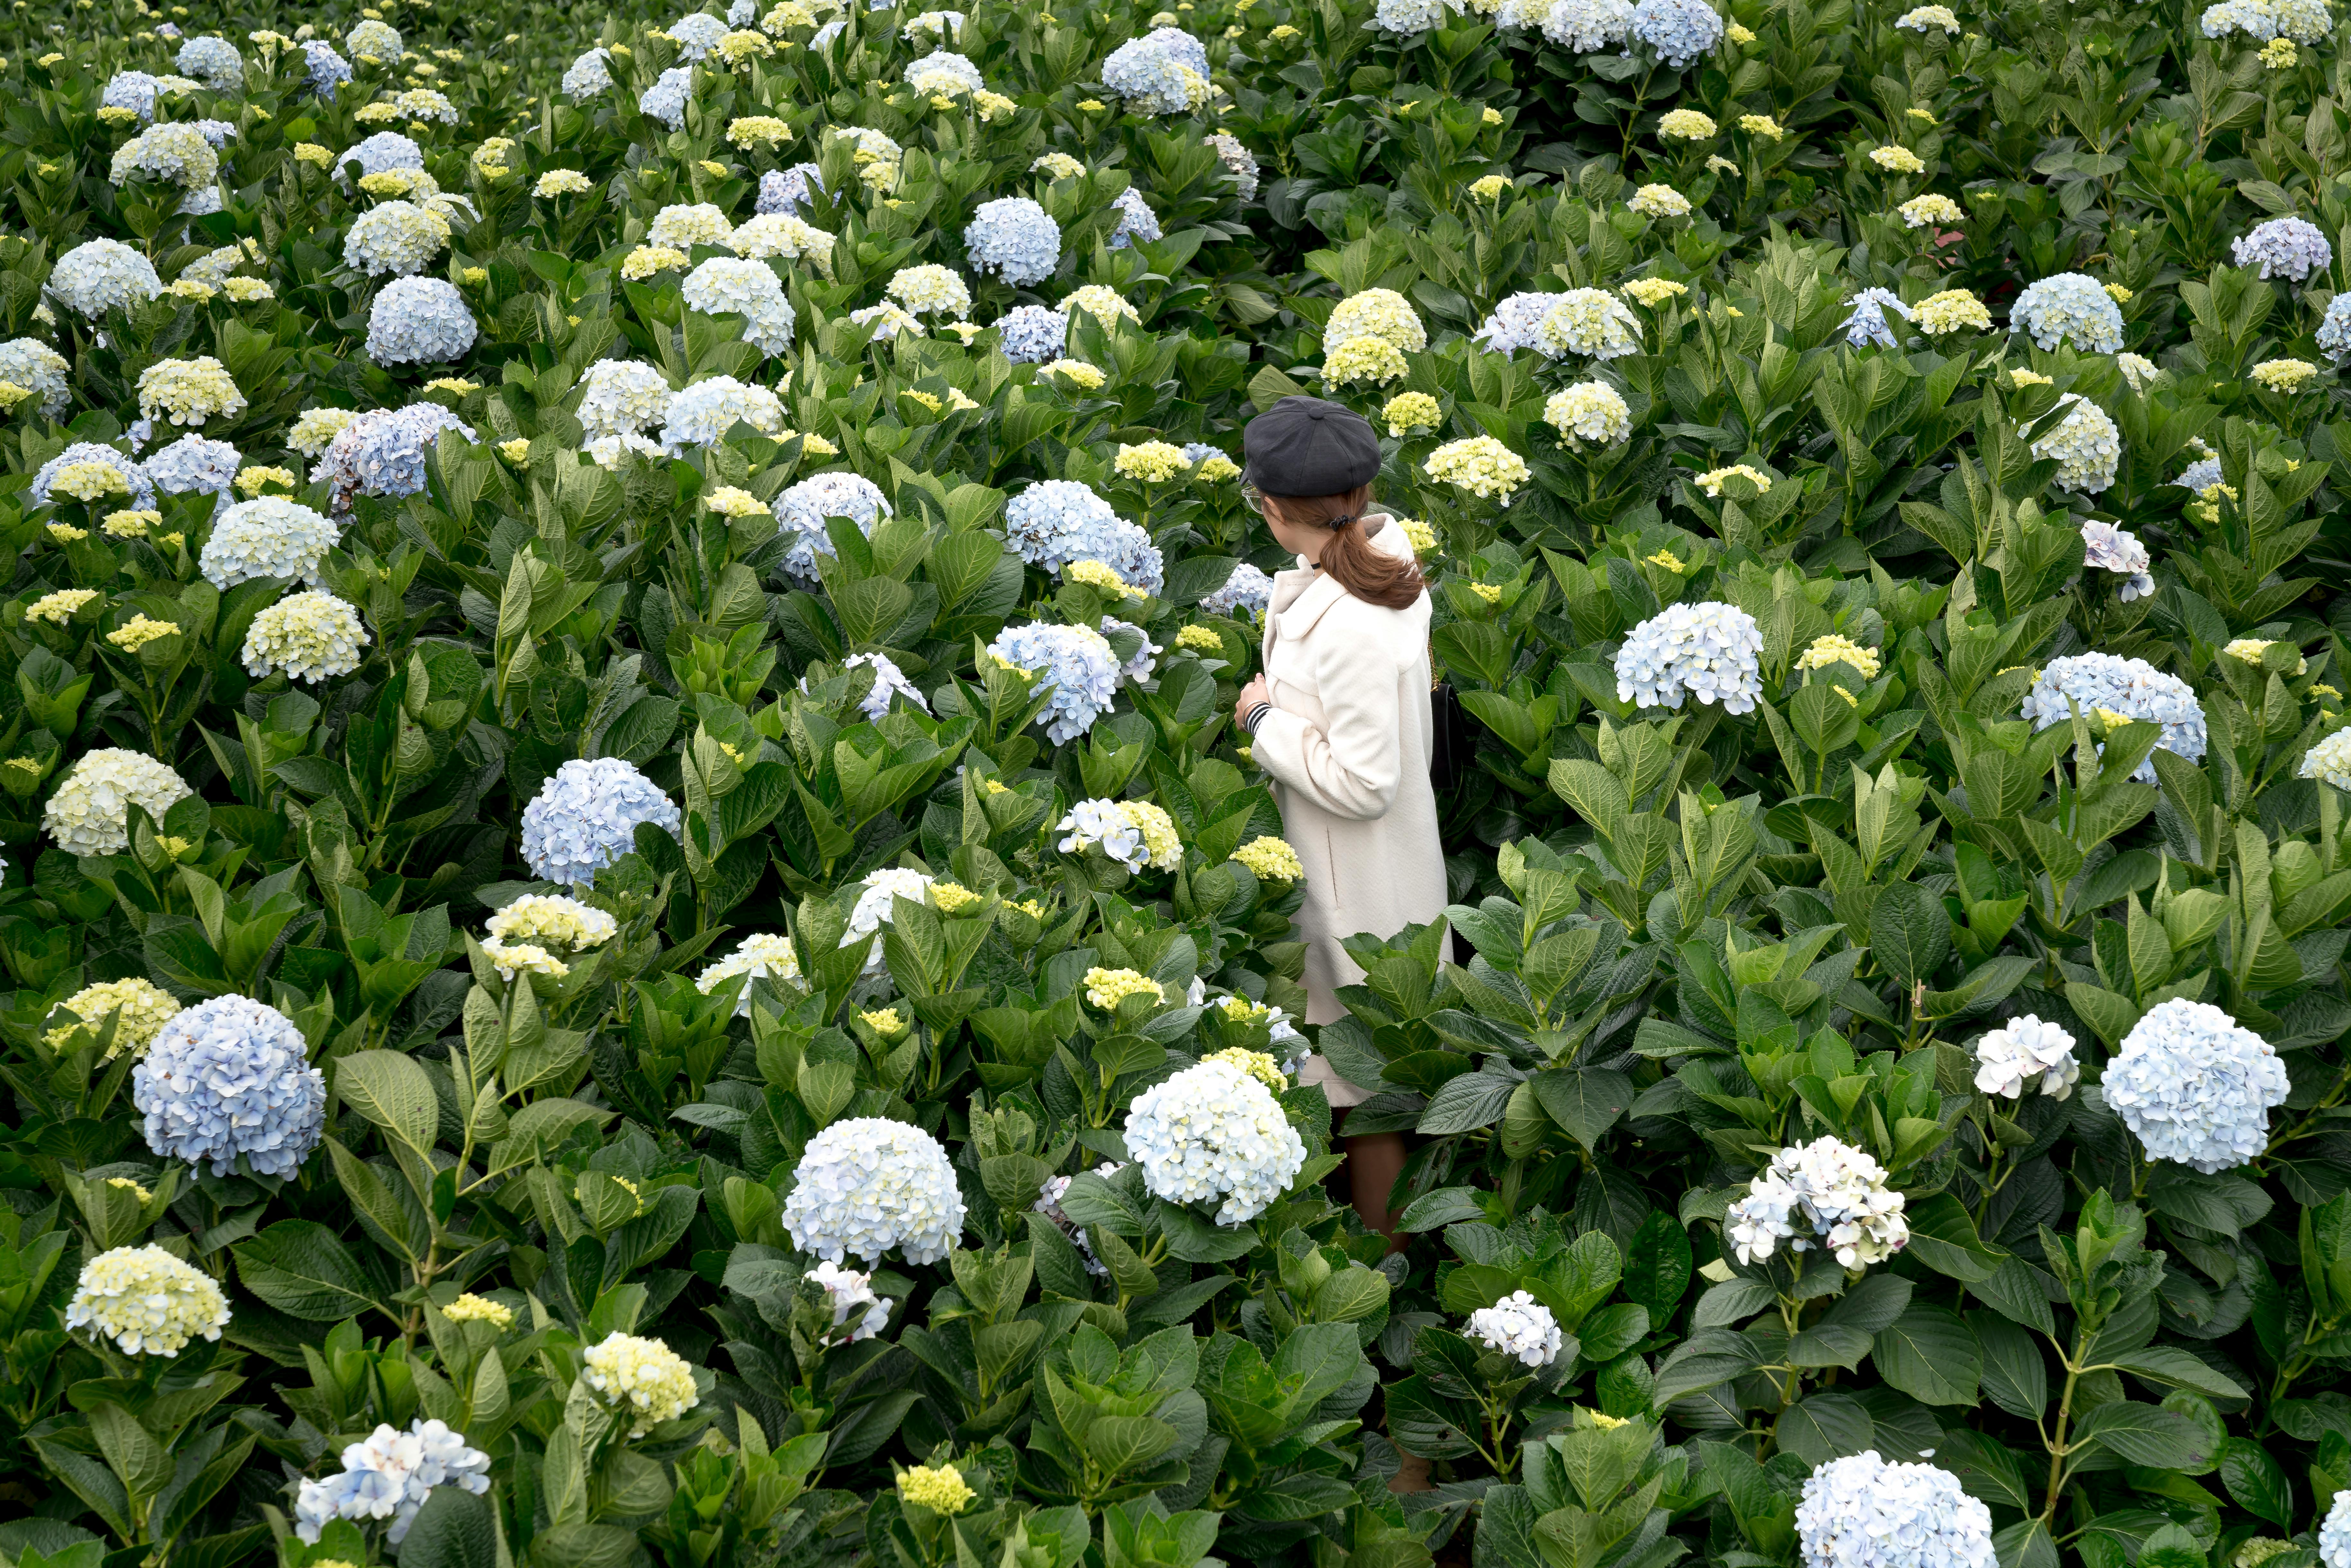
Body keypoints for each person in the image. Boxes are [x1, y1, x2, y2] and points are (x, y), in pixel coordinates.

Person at [1230, 394, 1447, 1241]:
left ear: (1276, 509)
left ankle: (1384, 1294)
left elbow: (1364, 782)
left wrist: (1262, 723)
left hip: (1355, 888)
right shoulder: (1374, 566)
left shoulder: (1352, 617)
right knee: (1351, 1083)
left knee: (1365, 1098)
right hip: (1362, 872)